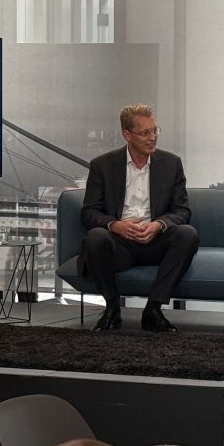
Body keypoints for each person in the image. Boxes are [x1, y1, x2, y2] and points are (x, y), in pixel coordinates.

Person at [80, 104, 199, 333]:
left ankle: (153, 309)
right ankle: (112, 309)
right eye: (145, 133)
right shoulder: (102, 165)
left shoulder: (171, 163)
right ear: (127, 134)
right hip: (120, 243)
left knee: (188, 234)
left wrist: (158, 225)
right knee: (95, 237)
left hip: (156, 240)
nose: (152, 138)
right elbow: (89, 212)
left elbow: (182, 211)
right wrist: (116, 226)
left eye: (155, 131)